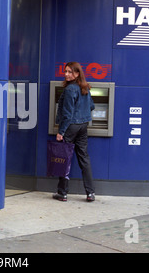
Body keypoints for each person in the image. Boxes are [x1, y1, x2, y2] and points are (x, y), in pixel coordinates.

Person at [53, 62, 96, 202]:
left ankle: (62, 193)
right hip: (83, 126)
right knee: (84, 158)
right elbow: (91, 106)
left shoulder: (70, 89)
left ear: (77, 74)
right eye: (65, 71)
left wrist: (61, 132)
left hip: (71, 127)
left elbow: (67, 114)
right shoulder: (85, 87)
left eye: (70, 72)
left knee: (65, 159)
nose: (66, 74)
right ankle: (90, 193)